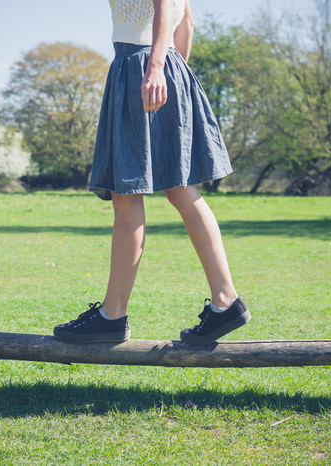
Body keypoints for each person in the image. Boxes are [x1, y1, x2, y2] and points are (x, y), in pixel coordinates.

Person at [54, 0, 249, 345]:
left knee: (128, 196)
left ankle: (113, 315)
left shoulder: (150, 65)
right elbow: (185, 21)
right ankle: (225, 300)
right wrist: (173, 73)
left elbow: (165, 8)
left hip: (143, 67)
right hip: (160, 68)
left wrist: (157, 66)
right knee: (180, 188)